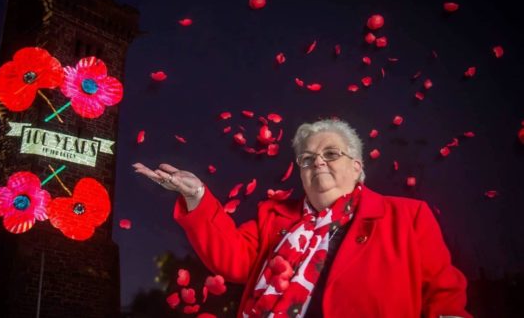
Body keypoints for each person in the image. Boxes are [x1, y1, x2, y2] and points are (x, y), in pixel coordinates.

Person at [133, 118, 471, 317]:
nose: (318, 162)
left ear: (358, 168)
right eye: (307, 159)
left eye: (330, 154)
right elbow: (233, 260)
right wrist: (198, 197)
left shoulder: (407, 217)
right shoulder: (274, 217)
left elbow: (445, 295)